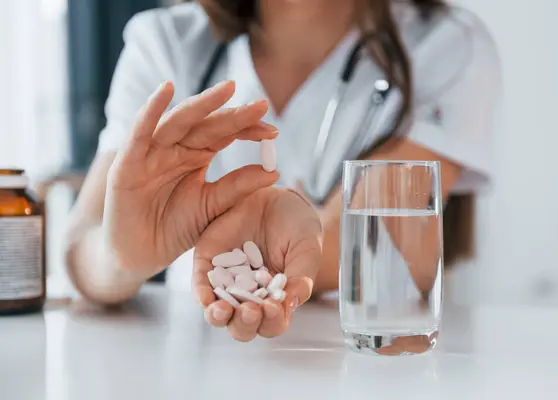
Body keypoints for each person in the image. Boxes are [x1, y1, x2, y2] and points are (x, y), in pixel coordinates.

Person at [65, 0, 501, 342]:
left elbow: (383, 236)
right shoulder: (164, 40)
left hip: (373, 359)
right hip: (195, 357)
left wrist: (274, 252)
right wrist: (122, 256)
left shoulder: (448, 43)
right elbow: (82, 242)